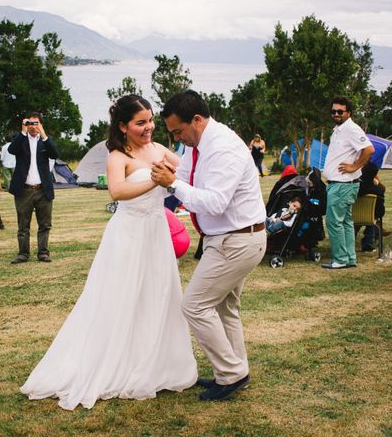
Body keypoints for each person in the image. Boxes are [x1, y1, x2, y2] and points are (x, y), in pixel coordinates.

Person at [20, 95, 197, 410]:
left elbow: (184, 173)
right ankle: (114, 364)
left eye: (150, 120)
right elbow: (117, 191)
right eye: (140, 122)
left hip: (157, 232)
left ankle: (156, 365)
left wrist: (173, 179)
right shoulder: (118, 155)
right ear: (123, 126)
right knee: (121, 297)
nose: (148, 127)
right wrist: (155, 181)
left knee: (157, 295)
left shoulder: (160, 150)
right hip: (128, 234)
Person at [151, 90, 267, 402]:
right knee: (224, 306)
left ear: (198, 120)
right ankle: (234, 370)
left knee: (194, 305)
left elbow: (215, 202)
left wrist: (172, 184)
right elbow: (184, 177)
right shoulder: (197, 145)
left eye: (179, 131)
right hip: (228, 238)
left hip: (239, 239)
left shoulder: (224, 148)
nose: (177, 139)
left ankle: (230, 373)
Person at [322, 96, 374, 269]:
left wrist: (354, 166)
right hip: (340, 184)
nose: (336, 114)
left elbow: (369, 149)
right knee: (345, 221)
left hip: (342, 184)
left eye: (340, 111)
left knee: (333, 221)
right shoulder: (339, 129)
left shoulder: (351, 129)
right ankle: (349, 258)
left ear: (348, 113)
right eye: (333, 111)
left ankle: (340, 259)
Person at [8, 111, 59, 264]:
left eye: (36, 123)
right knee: (23, 225)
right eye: (29, 123)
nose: (32, 126)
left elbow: (54, 154)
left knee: (44, 224)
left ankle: (43, 252)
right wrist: (22, 132)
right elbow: (11, 150)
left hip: (43, 189)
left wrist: (43, 135)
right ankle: (23, 253)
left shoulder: (46, 140)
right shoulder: (20, 140)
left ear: (41, 124)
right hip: (24, 190)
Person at [355, 162, 386, 252]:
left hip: (353, 215)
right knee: (373, 216)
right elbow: (381, 211)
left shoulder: (354, 187)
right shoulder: (377, 190)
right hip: (369, 217)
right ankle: (367, 244)